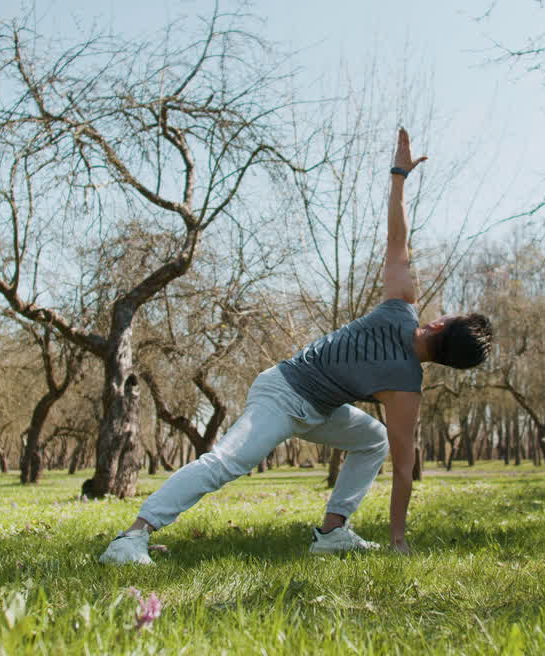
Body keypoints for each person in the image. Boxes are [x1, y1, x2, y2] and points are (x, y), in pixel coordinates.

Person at [99, 127, 493, 564]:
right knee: (230, 462)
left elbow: (397, 237)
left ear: (438, 323)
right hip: (283, 392)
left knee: (371, 438)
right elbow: (405, 472)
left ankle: (331, 532)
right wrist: (398, 538)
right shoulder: (406, 388)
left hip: (317, 409)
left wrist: (399, 174)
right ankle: (131, 538)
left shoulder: (402, 305)